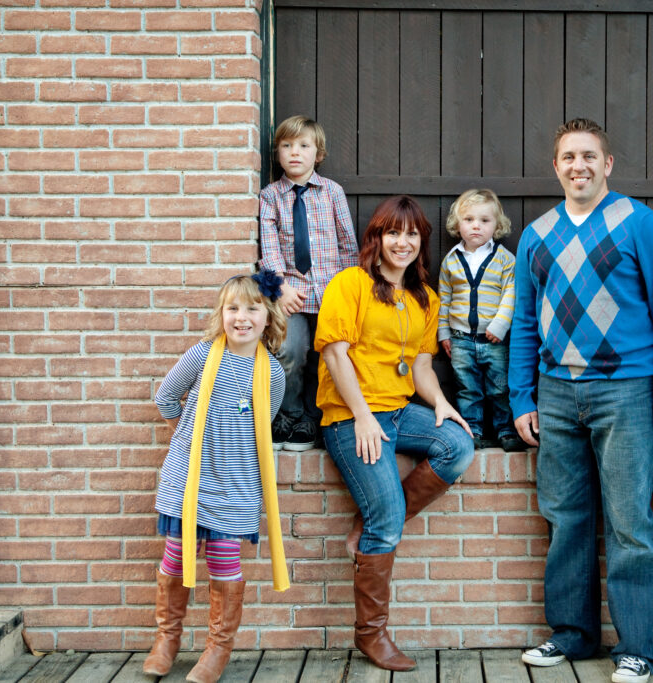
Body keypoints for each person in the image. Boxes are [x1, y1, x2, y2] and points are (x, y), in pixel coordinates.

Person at [509, 118, 653, 683]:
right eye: (568, 157)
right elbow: (522, 323)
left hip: (626, 392)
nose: (578, 166)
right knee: (565, 518)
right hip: (556, 393)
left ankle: (636, 646)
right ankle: (572, 632)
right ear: (556, 166)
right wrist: (521, 397)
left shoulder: (639, 224)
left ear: (607, 165)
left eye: (589, 156)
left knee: (630, 522)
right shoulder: (536, 234)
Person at [315, 195, 475, 672]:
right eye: (393, 233)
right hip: (351, 418)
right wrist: (362, 416)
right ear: (377, 237)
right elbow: (335, 355)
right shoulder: (351, 283)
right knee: (388, 519)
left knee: (458, 445)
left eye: (411, 234)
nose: (402, 242)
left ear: (420, 241)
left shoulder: (424, 297)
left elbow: (423, 366)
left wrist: (443, 404)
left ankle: (370, 528)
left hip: (400, 411)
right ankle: (371, 636)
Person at [144, 271, 289, 683]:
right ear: (222, 314)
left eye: (252, 308)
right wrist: (187, 436)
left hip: (237, 485)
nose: (242, 317)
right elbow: (167, 396)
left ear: (268, 316)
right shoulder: (202, 355)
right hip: (188, 480)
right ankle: (167, 639)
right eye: (233, 308)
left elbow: (264, 423)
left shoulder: (272, 374)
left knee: (223, 565)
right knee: (175, 557)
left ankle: (217, 649)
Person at [259, 114, 359, 452]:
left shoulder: (332, 192)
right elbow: (268, 248)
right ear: (278, 153)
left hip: (331, 294)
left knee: (329, 357)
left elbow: (348, 245)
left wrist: (349, 292)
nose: (294, 153)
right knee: (289, 351)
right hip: (292, 296)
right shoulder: (270, 196)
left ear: (318, 154)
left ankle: (316, 421)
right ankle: (289, 415)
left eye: (303, 145)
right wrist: (280, 288)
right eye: (286, 146)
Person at [437, 188, 524, 451]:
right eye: (469, 220)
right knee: (467, 388)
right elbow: (445, 299)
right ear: (457, 224)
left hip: (494, 339)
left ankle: (505, 429)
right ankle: (472, 429)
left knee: (499, 388)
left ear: (496, 225)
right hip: (461, 340)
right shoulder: (451, 261)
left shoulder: (505, 260)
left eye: (485, 220)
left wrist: (500, 325)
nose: (477, 226)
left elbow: (512, 293)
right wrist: (444, 333)